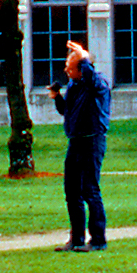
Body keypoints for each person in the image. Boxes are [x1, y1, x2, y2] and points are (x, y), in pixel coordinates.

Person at [49, 38, 110, 252]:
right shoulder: (75, 85)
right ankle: (76, 239)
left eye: (70, 67)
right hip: (75, 141)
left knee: (90, 189)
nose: (66, 71)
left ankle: (98, 240)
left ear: (82, 68)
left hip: (92, 140)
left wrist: (83, 55)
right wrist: (57, 97)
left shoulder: (97, 83)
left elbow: (90, 76)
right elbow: (67, 110)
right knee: (72, 190)